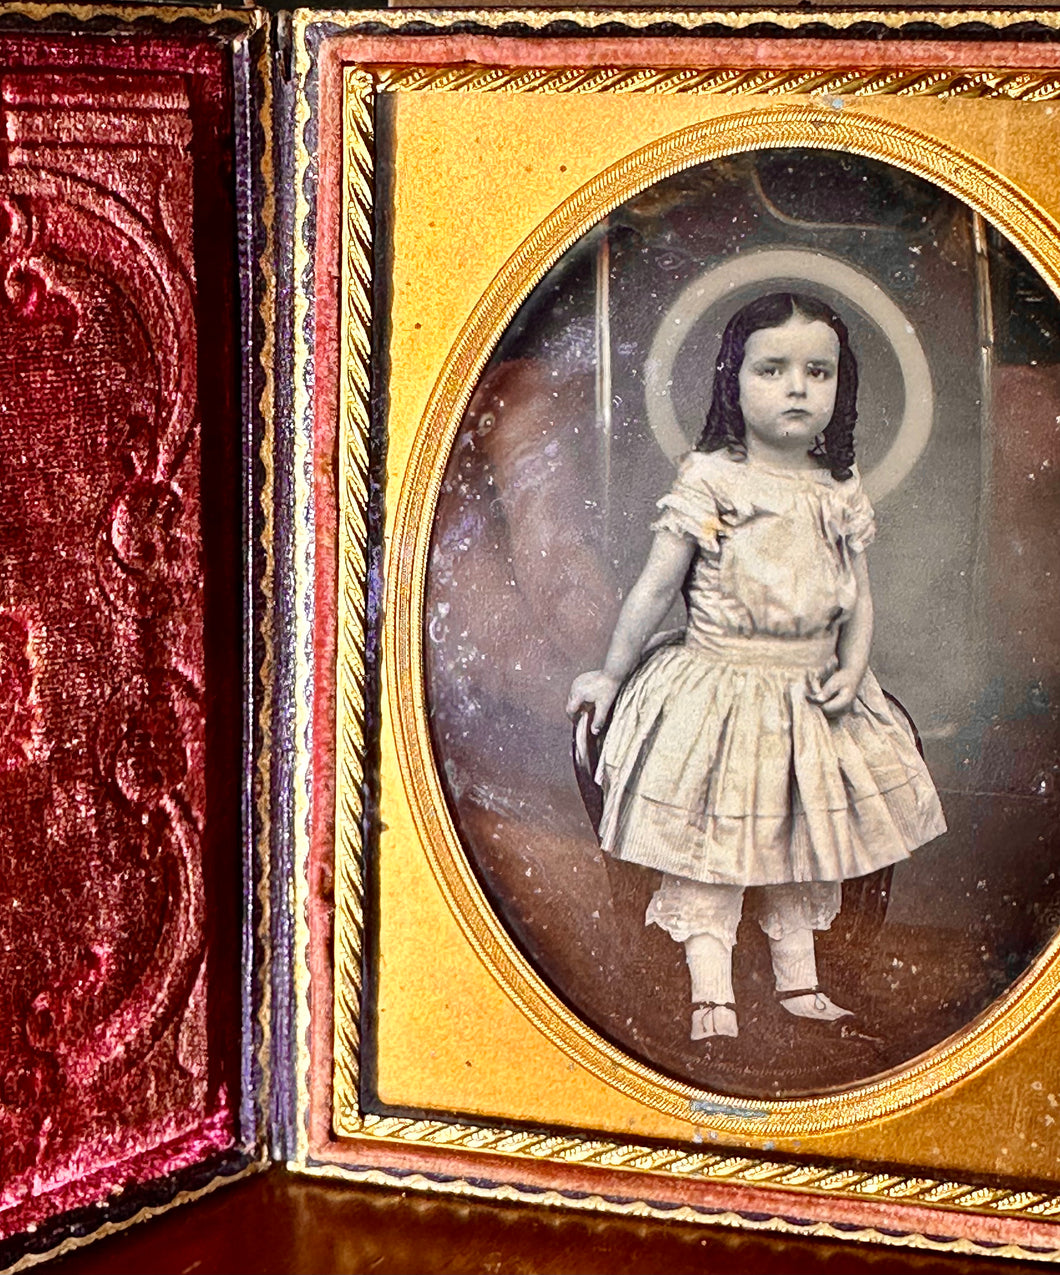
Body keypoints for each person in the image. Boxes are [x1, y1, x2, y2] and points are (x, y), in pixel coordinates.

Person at [566, 292, 946, 1041]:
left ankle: (799, 983)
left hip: (808, 691)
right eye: (772, 369)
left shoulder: (837, 487)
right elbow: (655, 586)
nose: (799, 387)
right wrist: (611, 672)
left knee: (800, 846)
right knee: (716, 850)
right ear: (731, 382)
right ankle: (713, 994)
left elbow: (858, 599)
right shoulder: (713, 479)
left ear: (843, 388)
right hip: (720, 687)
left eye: (819, 371)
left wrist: (852, 665)